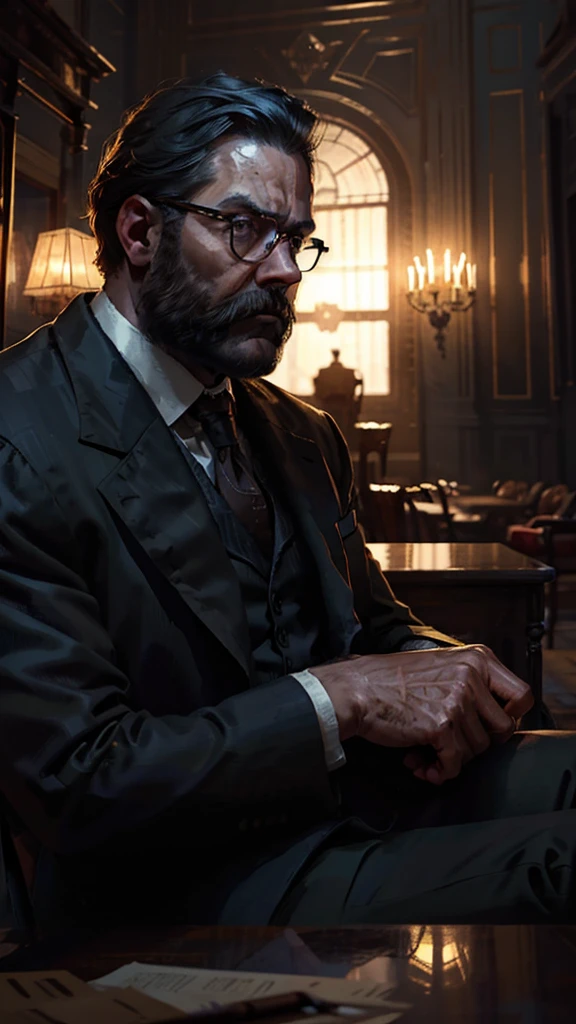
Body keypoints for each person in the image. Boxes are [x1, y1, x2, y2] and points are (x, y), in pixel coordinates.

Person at [1, 73, 576, 932]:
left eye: (295, 239)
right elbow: (85, 785)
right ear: (140, 230)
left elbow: (379, 632)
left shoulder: (300, 432)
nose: (280, 271)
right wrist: (345, 700)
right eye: (243, 229)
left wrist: (446, 670)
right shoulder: (19, 436)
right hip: (184, 880)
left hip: (363, 798)